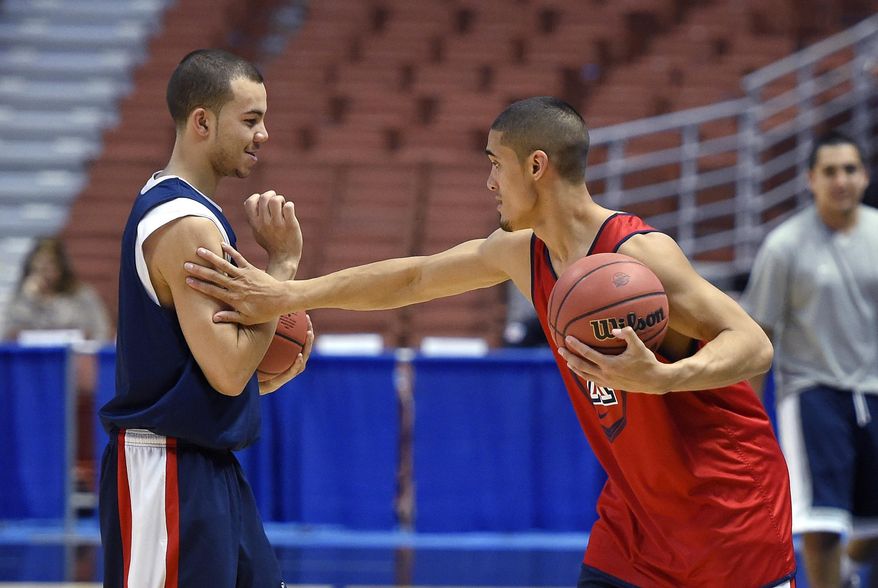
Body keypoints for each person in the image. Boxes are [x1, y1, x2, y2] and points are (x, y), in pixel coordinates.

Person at [185, 96, 796, 587]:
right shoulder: (522, 251)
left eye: (494, 163)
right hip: (636, 521)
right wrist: (291, 295)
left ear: (536, 166)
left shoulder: (639, 257)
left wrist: (663, 378)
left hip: (727, 511)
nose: (488, 182)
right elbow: (414, 276)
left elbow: (754, 345)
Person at [98, 49, 313, 588]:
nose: (263, 133)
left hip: (204, 464)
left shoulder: (192, 214)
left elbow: (215, 371)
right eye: (251, 119)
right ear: (202, 121)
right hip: (165, 468)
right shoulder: (187, 226)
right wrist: (282, 268)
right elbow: (228, 370)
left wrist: (257, 357)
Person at [743, 130, 878, 588]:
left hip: (874, 392)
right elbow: (758, 334)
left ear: (864, 176)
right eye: (830, 171)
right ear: (811, 180)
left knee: (870, 528)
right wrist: (748, 419)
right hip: (813, 396)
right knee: (821, 526)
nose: (841, 179)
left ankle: (841, 575)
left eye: (850, 169)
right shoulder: (784, 246)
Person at [2, 236, 111, 342]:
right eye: (38, 265)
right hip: (31, 358)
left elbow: (101, 331)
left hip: (73, 357)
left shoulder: (81, 294)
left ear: (61, 267)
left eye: (49, 265)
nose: (44, 272)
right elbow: (8, 333)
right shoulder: (23, 297)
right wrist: (30, 299)